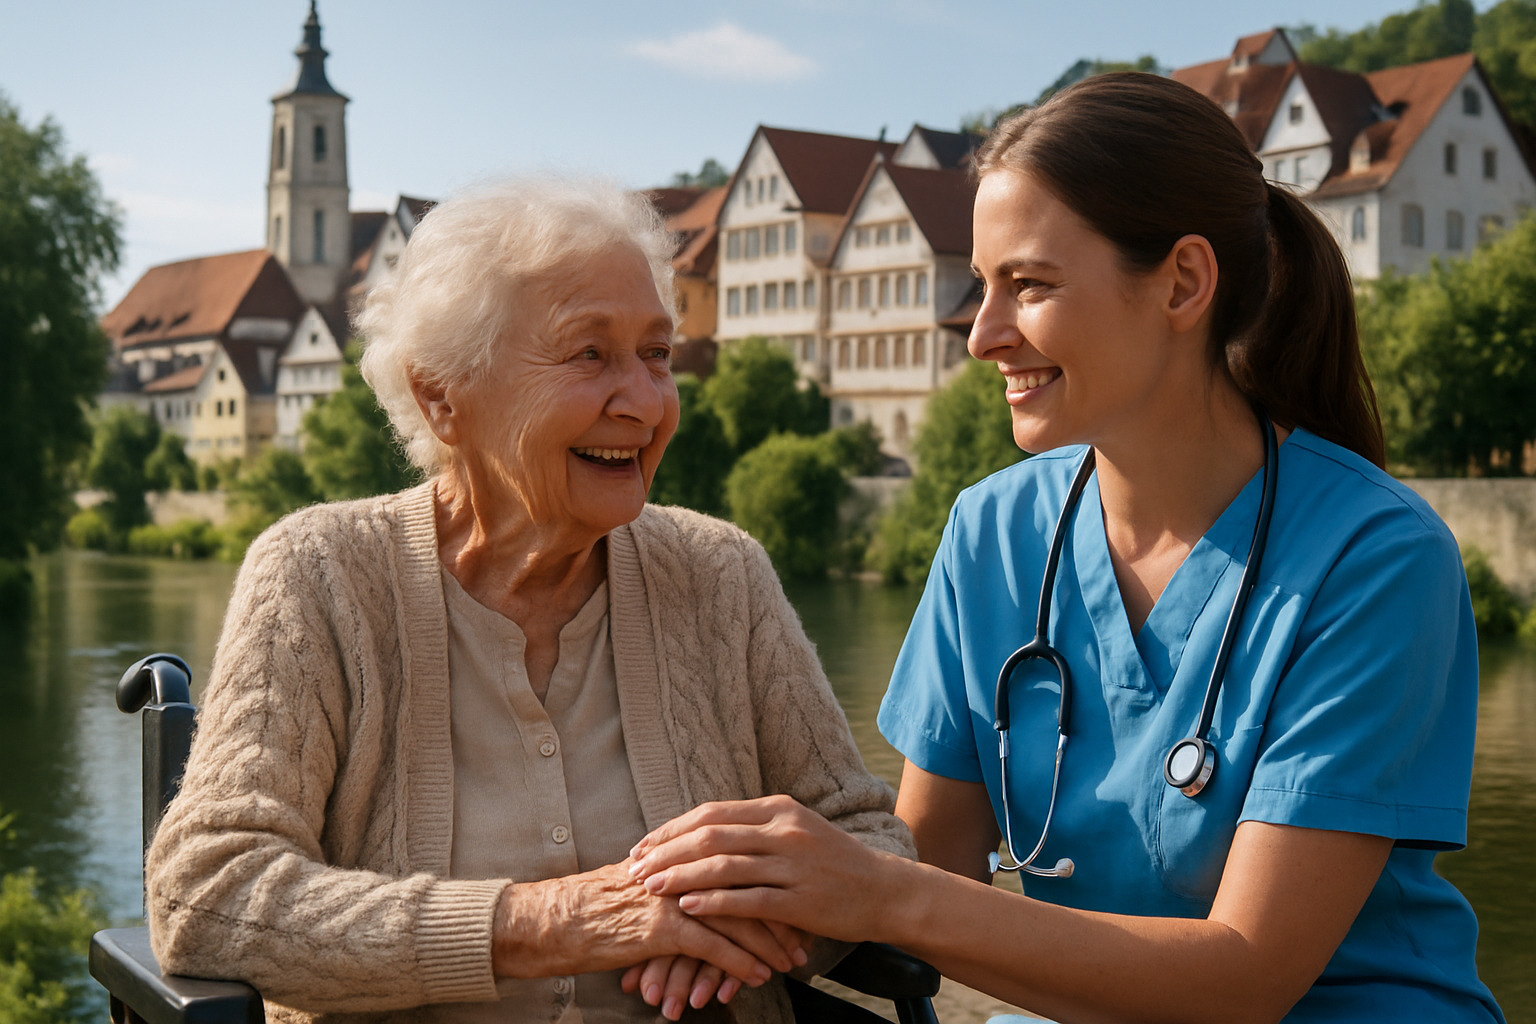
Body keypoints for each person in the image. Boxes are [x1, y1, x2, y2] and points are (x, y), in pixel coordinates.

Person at [628, 73, 1505, 1023]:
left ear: (1183, 282)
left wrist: (876, 890)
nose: (983, 335)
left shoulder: (1377, 559)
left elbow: (1243, 978)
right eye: (982, 286)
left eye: (1030, 285)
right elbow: (925, 874)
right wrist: (723, 916)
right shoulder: (993, 532)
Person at [144, 176, 912, 1024]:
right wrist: (557, 923)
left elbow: (869, 841)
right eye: (589, 355)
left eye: (656, 355)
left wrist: (746, 927)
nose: (646, 402)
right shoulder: (317, 574)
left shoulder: (721, 572)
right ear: (443, 396)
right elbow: (206, 897)